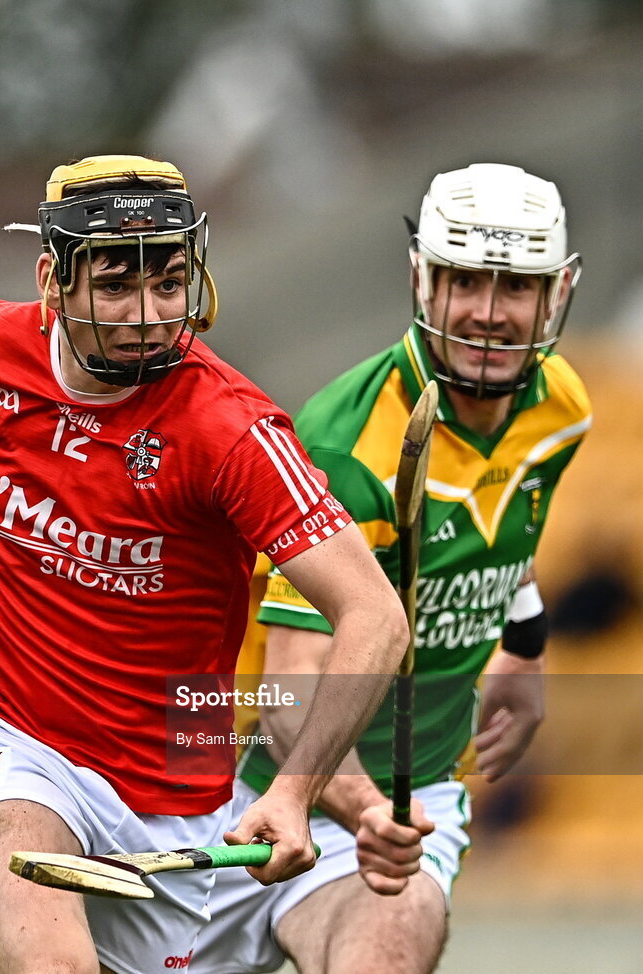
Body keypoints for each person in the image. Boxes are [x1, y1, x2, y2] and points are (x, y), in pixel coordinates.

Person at [0, 154, 409, 974]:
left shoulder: (233, 432)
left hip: (171, 790)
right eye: (114, 286)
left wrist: (294, 790)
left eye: (169, 283)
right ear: (52, 282)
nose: (148, 315)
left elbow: (375, 616)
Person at [191, 162, 592, 974]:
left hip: (408, 794)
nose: (488, 313)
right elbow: (291, 691)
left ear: (557, 293)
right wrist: (364, 807)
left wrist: (525, 645)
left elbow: (500, 526)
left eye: (516, 287)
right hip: (249, 787)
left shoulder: (561, 410)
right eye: (464, 281)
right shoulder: (349, 444)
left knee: (388, 948)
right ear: (421, 279)